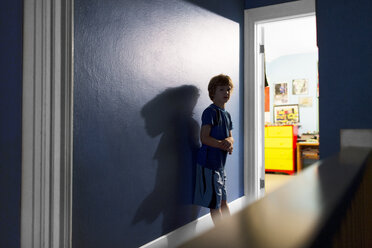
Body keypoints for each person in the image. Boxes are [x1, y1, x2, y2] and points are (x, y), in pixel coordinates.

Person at [194, 74, 234, 225]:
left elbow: (231, 137)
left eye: (228, 89)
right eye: (221, 89)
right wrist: (222, 144)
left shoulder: (227, 115)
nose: (226, 93)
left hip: (220, 166)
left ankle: (231, 230)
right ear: (213, 92)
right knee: (215, 204)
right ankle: (221, 236)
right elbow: (204, 138)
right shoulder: (210, 112)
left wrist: (229, 142)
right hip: (209, 165)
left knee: (224, 201)